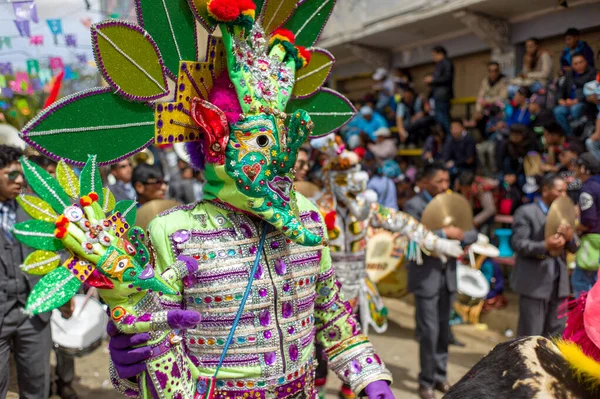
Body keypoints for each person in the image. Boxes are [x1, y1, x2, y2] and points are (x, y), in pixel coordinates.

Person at [11, 2, 400, 397]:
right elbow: (151, 341)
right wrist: (132, 361)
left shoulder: (308, 219)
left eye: (281, 140)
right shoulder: (175, 231)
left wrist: (370, 376)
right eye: (261, 141)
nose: (278, 158)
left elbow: (333, 315)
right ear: (217, 142)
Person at [311, 135, 462, 399]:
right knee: (319, 346)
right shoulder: (315, 211)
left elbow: (403, 223)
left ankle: (351, 388)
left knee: (355, 338)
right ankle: (319, 388)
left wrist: (437, 243)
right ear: (331, 180)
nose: (353, 185)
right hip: (323, 290)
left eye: (354, 177)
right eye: (344, 178)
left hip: (358, 287)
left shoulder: (365, 208)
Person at [404, 163, 478, 399]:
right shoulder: (413, 206)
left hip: (448, 277)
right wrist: (442, 234)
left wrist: (460, 235)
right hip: (426, 278)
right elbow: (412, 236)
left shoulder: (453, 203)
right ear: (425, 182)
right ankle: (425, 381)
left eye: (447, 181)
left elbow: (472, 232)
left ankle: (440, 376)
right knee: (429, 331)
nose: (444, 186)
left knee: (444, 329)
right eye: (439, 182)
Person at [0, 145, 55, 399]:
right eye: (12, 175)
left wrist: (59, 293)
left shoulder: (34, 208)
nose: (20, 180)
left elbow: (57, 250)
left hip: (34, 314)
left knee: (37, 388)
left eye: (21, 174)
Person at [511, 174, 578, 337]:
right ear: (546, 190)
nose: (564, 196)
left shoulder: (564, 214)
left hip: (558, 284)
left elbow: (576, 246)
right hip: (534, 283)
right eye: (560, 191)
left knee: (555, 336)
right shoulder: (526, 212)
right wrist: (545, 246)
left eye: (565, 192)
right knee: (530, 335)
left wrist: (569, 238)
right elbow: (519, 244)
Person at [573, 153, 600, 297]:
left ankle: (584, 319)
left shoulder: (588, 189)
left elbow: (589, 221)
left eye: (576, 167)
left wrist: (574, 228)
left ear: (583, 168)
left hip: (593, 243)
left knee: (581, 283)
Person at [554, 53, 597, 135]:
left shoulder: (592, 73)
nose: (579, 65)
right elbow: (561, 89)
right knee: (558, 111)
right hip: (568, 103)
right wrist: (560, 100)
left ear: (586, 62)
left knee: (575, 109)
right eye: (576, 63)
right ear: (572, 65)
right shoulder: (569, 74)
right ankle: (569, 136)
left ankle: (579, 134)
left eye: (581, 62)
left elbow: (593, 92)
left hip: (584, 103)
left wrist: (577, 100)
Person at [455, 171, 497, 236]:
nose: (464, 191)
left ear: (472, 185)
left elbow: (490, 210)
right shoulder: (461, 187)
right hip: (474, 215)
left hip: (486, 218)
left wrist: (474, 221)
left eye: (466, 189)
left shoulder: (482, 188)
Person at [425, 46, 454, 134]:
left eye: (434, 55)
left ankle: (450, 138)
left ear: (441, 54)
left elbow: (447, 78)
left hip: (443, 96)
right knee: (440, 120)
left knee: (444, 120)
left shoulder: (446, 63)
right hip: (438, 96)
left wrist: (433, 79)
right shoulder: (439, 65)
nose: (433, 58)